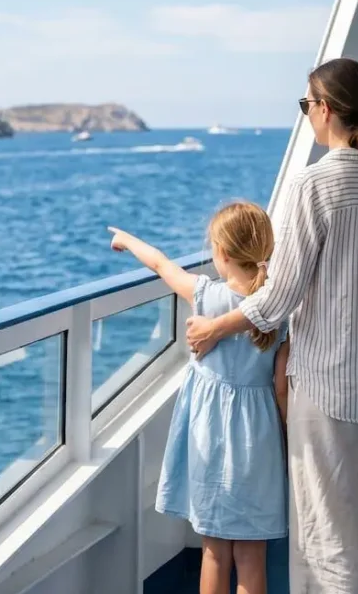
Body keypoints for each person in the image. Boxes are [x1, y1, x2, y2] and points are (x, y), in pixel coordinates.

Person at [185, 57, 358, 593]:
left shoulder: (312, 185)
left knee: (329, 538)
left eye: (305, 106)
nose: (306, 116)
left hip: (330, 387)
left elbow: (278, 298)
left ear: (324, 109)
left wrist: (216, 327)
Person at [107, 203, 288, 594]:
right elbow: (280, 386)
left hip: (211, 437)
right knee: (252, 555)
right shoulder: (278, 310)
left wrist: (126, 239)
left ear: (221, 253)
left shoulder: (205, 295)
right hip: (259, 437)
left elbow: (161, 265)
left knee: (214, 552)